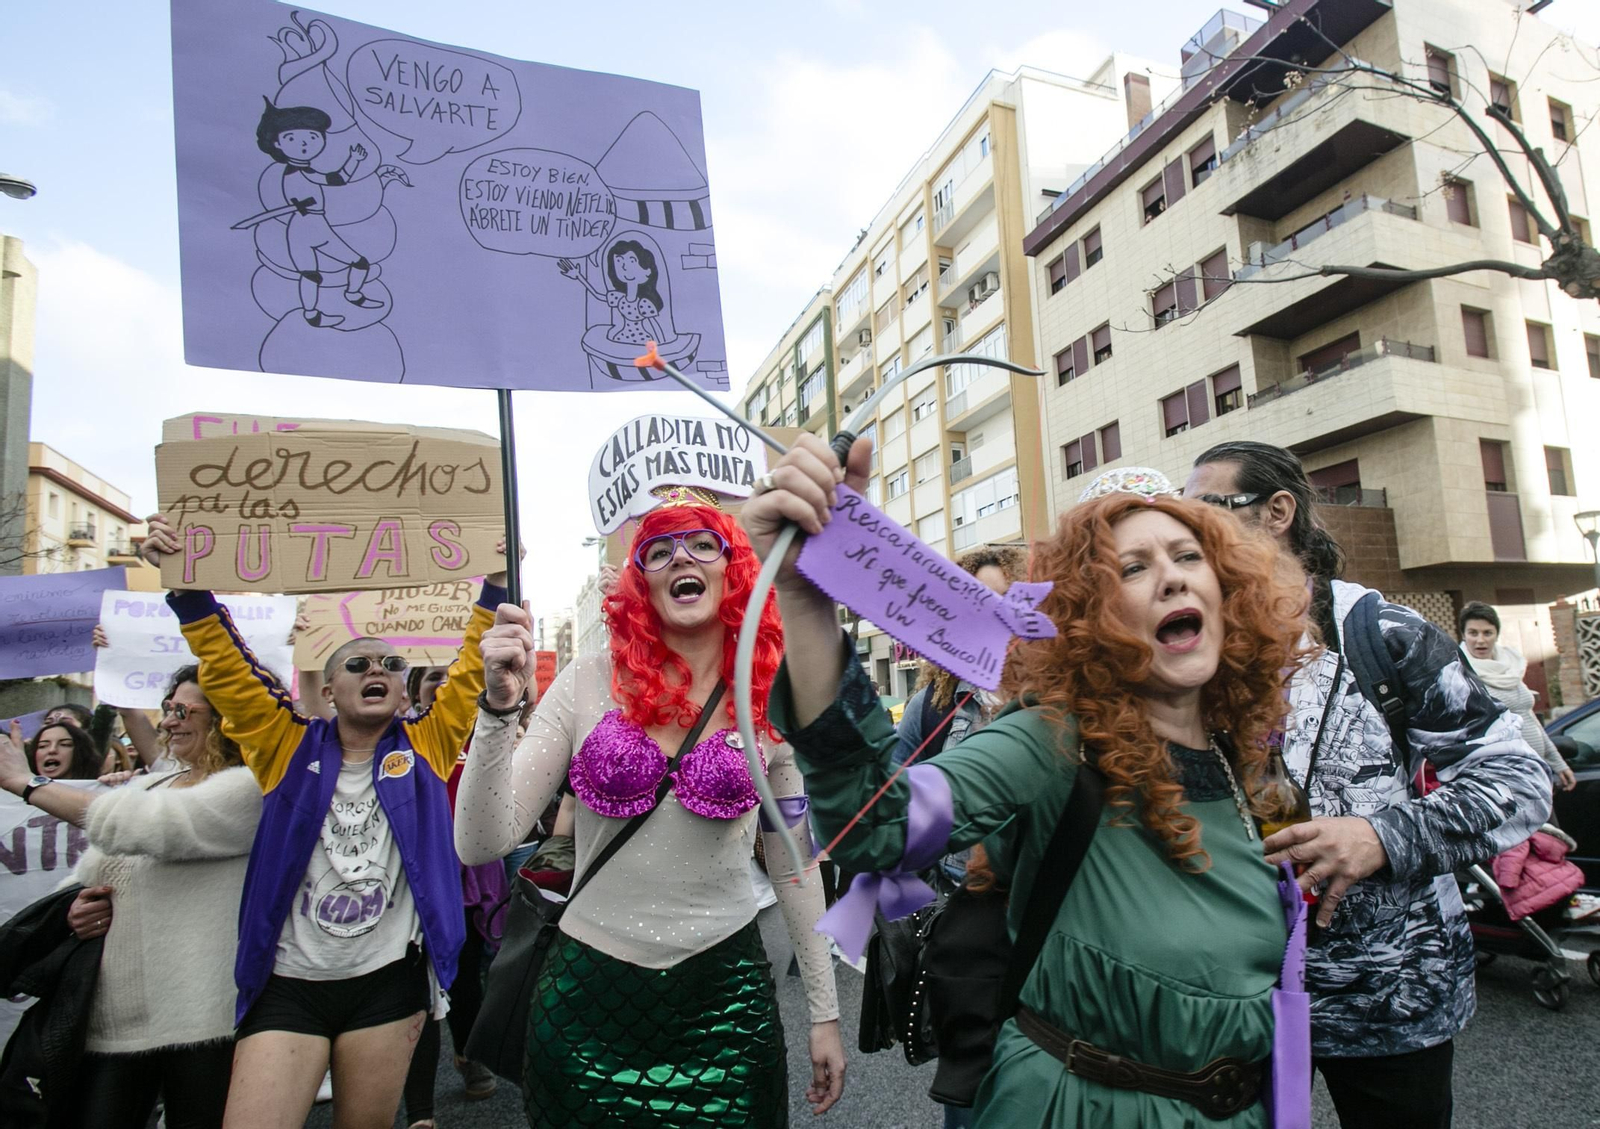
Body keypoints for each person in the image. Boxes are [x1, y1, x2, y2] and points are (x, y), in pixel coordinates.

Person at [744, 433, 1313, 1126]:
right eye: (1133, 568)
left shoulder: (1246, 757)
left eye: (1189, 556)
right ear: (1092, 620)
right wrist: (806, 601)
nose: (1173, 576)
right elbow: (878, 827)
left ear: (1228, 592)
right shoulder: (1054, 739)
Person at [1185, 440, 1551, 1128]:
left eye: (1205, 508)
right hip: (1238, 992)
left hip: (1393, 995)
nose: (1186, 528)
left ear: (1277, 512)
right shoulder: (1196, 646)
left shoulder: (1383, 632)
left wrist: (1382, 834)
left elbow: (1519, 777)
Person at [456, 487, 845, 1127]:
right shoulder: (587, 680)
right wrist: (498, 710)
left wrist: (824, 1014)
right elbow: (481, 843)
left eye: (701, 544)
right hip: (587, 1005)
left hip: (728, 1003)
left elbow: (794, 867)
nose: (680, 559)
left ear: (733, 567)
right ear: (640, 583)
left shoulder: (775, 695)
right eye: (657, 552)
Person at [136, 514, 508, 1129]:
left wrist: (494, 588)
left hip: (389, 982)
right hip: (288, 984)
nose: (377, 671)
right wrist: (187, 591)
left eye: (390, 663)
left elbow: (469, 669)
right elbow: (228, 671)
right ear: (328, 688)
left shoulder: (428, 745)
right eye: (357, 665)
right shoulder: (282, 744)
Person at [0, 666, 259, 1128]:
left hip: (201, 1024)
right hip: (112, 1022)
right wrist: (73, 911)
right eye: (166, 709)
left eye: (183, 710)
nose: (168, 722)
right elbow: (94, 869)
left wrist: (28, 784)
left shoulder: (247, 788)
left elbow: (141, 825)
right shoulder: (152, 782)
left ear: (227, 717)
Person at [399, 660, 500, 1129]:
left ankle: (468, 1052)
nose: (442, 683)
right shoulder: (400, 741)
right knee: (413, 984)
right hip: (413, 875)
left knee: (464, 975)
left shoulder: (479, 737)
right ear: (415, 694)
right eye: (431, 677)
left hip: (468, 875)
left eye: (449, 675)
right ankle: (417, 1102)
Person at [253, 101, 382, 328]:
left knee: (359, 263)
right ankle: (312, 315)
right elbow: (330, 181)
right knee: (311, 275)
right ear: (277, 143)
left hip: (318, 225)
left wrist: (354, 160)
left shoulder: (306, 170)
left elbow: (337, 179)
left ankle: (353, 295)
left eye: (313, 137)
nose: (304, 143)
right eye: (292, 138)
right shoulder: (295, 171)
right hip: (302, 228)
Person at [1458, 601, 1575, 792]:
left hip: (1537, 770)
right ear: (1463, 635)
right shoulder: (1461, 676)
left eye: (1487, 633)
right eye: (1473, 633)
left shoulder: (1511, 667)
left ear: (1496, 634)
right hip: (1506, 778)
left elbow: (1530, 720)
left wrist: (1558, 763)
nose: (1480, 640)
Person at [24, 720, 103, 782]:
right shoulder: (18, 793)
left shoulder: (100, 790)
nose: (52, 750)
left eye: (65, 744)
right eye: (42, 746)